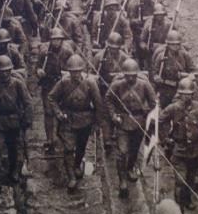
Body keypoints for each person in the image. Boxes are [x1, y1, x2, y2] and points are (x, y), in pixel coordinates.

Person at [0, 55, 33, 194]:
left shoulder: (18, 84)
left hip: (14, 122)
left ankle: (14, 173)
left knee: (15, 149)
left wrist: (26, 121)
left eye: (7, 71)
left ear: (11, 71)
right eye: (1, 71)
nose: (4, 74)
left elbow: (28, 103)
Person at [160, 76, 198, 211]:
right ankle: (179, 210)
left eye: (190, 94)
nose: (187, 97)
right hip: (179, 149)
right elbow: (159, 122)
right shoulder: (173, 108)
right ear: (179, 94)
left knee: (191, 178)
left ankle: (187, 198)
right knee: (180, 181)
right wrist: (165, 138)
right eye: (184, 94)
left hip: (197, 149)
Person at [49, 54, 103, 192]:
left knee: (81, 146)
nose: (75, 74)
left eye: (78, 71)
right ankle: (71, 177)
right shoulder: (63, 82)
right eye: (72, 71)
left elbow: (98, 104)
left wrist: (97, 123)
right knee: (68, 148)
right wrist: (58, 113)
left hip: (85, 119)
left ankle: (77, 164)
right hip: (68, 118)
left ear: (82, 70)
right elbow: (51, 97)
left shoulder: (90, 83)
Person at [106, 58, 156, 197]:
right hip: (122, 121)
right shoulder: (117, 85)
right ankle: (122, 181)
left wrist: (149, 115)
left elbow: (154, 103)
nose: (130, 78)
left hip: (139, 122)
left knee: (134, 149)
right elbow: (108, 99)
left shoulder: (144, 85)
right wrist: (113, 115)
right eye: (128, 75)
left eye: (133, 75)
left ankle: (129, 168)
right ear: (124, 74)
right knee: (122, 151)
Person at [37, 27, 75, 153]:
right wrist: (39, 71)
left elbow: (74, 67)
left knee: (61, 111)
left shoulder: (67, 51)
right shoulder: (44, 51)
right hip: (48, 83)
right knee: (48, 112)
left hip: (62, 84)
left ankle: (61, 136)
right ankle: (49, 139)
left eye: (58, 39)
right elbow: (37, 67)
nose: (56, 42)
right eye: (54, 40)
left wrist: (67, 74)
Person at [93, 32, 129, 151]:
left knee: (118, 111)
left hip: (119, 90)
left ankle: (118, 135)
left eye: (116, 48)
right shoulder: (99, 57)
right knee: (105, 114)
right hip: (104, 89)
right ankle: (107, 138)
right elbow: (92, 75)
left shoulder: (125, 58)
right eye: (112, 47)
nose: (114, 50)